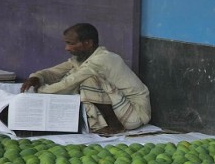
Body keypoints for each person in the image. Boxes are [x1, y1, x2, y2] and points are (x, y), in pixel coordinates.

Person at [20, 23, 151, 134]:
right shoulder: (84, 59)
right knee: (72, 74)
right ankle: (103, 124)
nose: (67, 48)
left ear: (88, 43)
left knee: (87, 80)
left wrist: (39, 91)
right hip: (121, 109)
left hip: (135, 114)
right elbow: (54, 72)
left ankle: (114, 125)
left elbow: (68, 84)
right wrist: (37, 78)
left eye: (71, 44)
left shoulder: (102, 60)